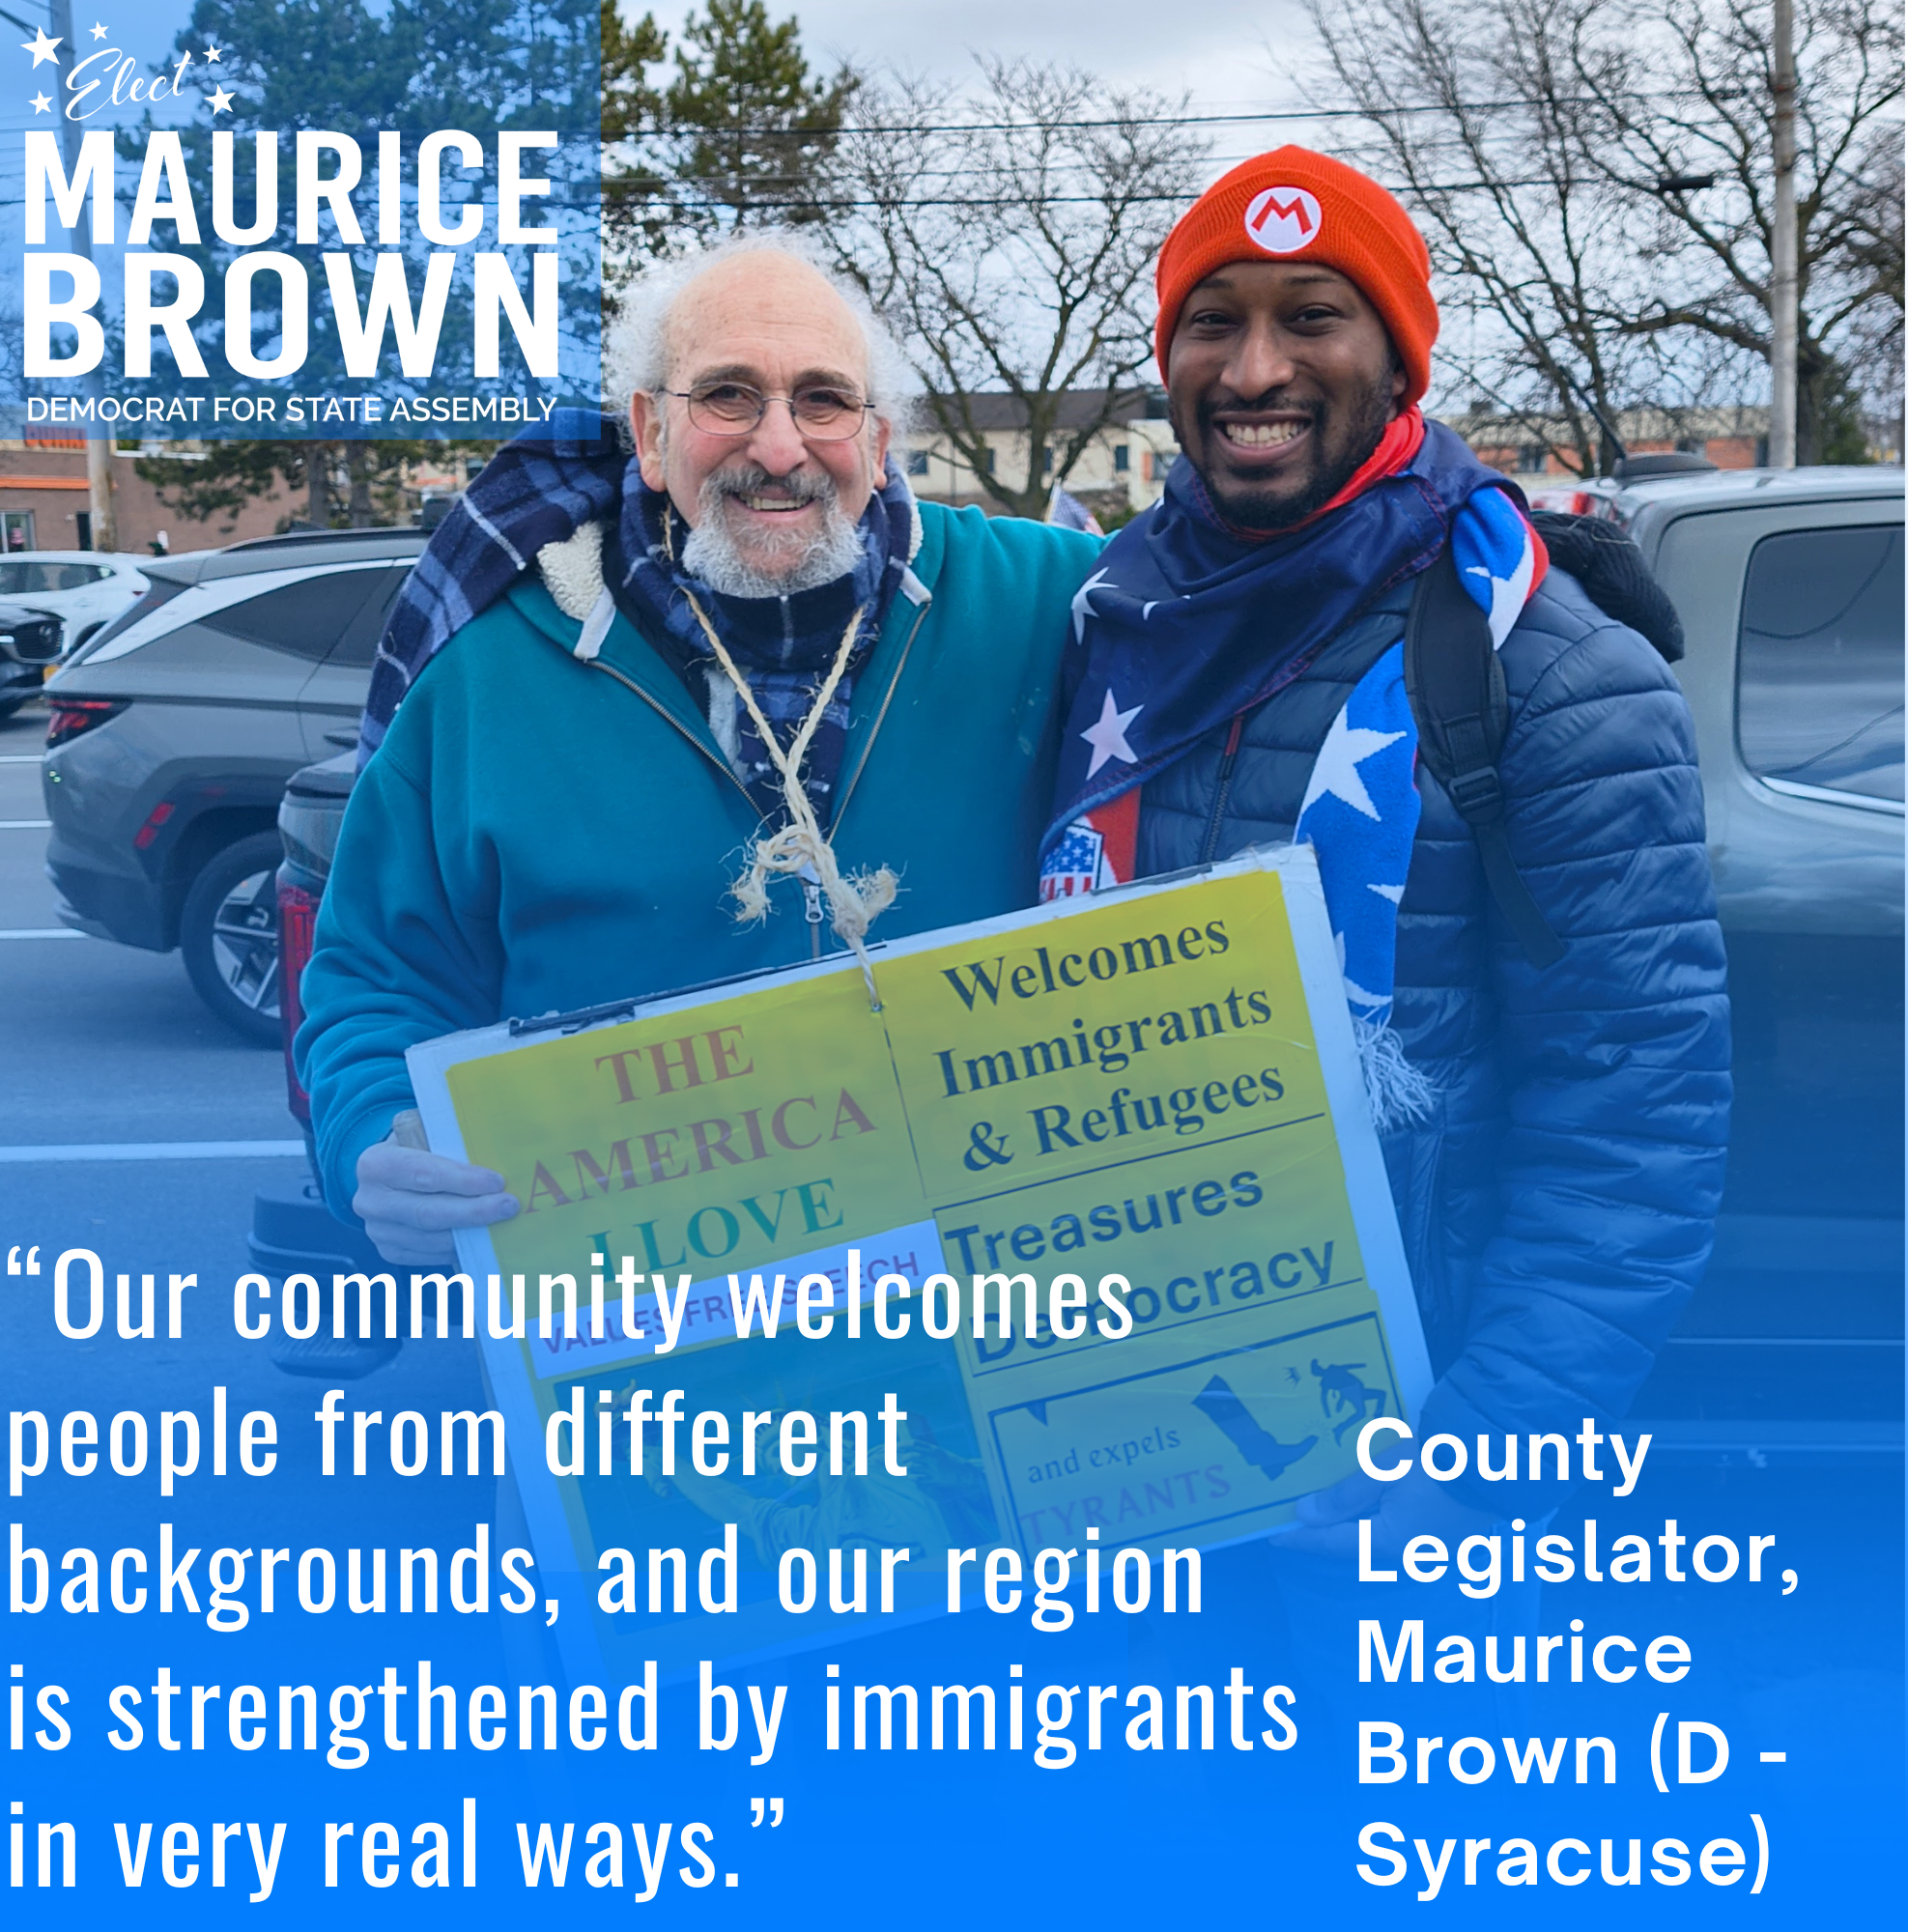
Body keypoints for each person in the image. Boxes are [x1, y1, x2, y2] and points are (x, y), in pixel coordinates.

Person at [1038, 149, 1731, 1553]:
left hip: (1402, 1471)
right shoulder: (1104, 626)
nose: (1252, 371)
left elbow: (1634, 1134)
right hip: (1111, 1432)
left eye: (1313, 317)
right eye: (1213, 321)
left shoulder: (1539, 664)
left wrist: (1473, 1459)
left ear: (1399, 360)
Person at [297, 235, 1101, 1264]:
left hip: (983, 1346)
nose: (777, 447)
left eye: (822, 400)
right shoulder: (486, 676)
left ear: (880, 436)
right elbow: (378, 972)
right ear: (647, 430)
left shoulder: (1048, 602)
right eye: (728, 395)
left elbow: (1271, 602)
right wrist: (371, 1129)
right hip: (646, 1368)